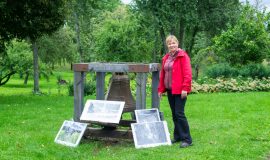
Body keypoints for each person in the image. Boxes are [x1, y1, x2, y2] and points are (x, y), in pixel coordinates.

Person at [158, 35, 192, 148]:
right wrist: (161, 89)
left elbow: (187, 74)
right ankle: (177, 137)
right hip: (169, 90)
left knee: (179, 114)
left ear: (177, 43)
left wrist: (185, 88)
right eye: (169, 43)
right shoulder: (166, 58)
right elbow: (163, 74)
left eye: (174, 43)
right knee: (174, 114)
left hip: (180, 90)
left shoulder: (183, 56)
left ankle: (187, 139)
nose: (172, 45)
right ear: (167, 45)